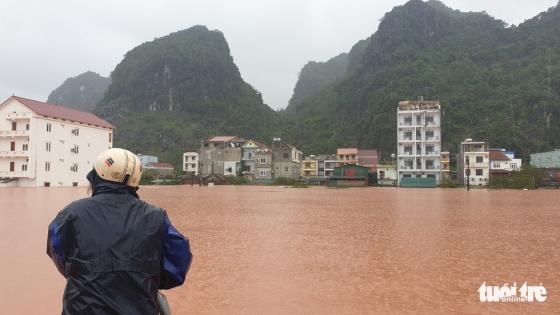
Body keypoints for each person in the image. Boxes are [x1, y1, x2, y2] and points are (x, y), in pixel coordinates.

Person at [47, 148, 192, 314]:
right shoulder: (156, 217)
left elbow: (58, 253)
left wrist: (83, 273)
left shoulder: (70, 214)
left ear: (96, 177)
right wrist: (146, 278)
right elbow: (177, 265)